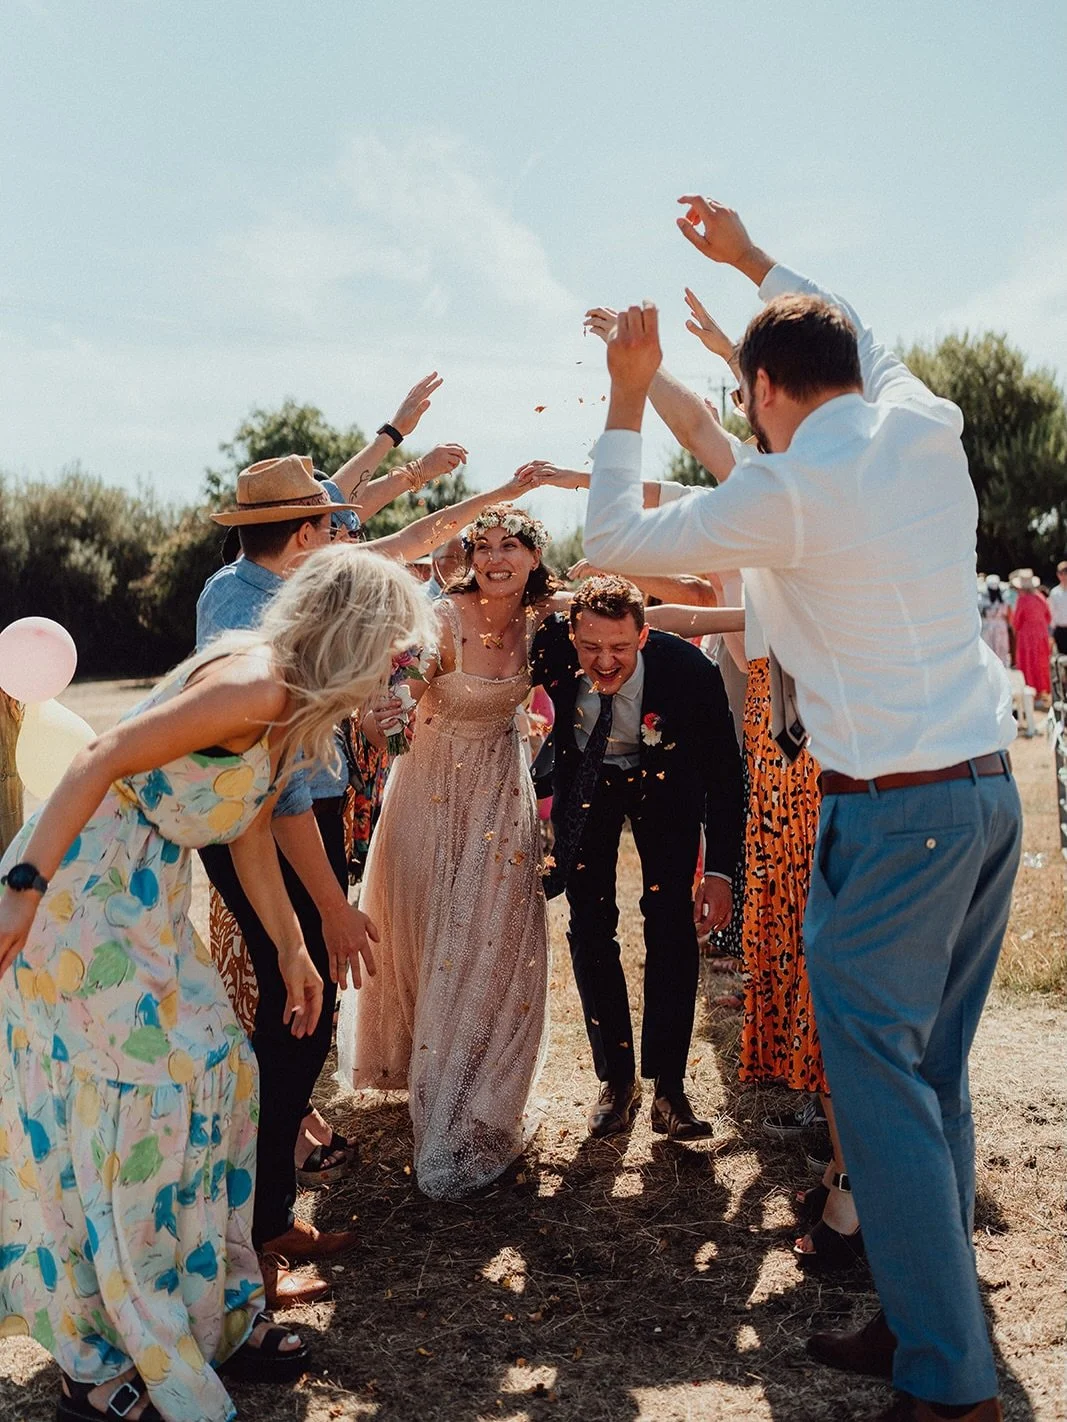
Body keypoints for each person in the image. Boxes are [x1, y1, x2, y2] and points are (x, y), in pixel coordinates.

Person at [582, 197, 1020, 1422]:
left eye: (746, 392)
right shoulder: (921, 423)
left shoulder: (786, 488)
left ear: (764, 388)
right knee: (928, 1079)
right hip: (985, 800)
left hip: (891, 816)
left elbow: (611, 533)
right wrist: (748, 258)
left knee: (878, 1093)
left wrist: (625, 392)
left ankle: (948, 1382)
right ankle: (924, 1315)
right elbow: (861, 329)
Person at [0, 545, 434, 1422]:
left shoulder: (292, 704)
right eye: (392, 651)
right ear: (353, 635)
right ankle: (98, 1355)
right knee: (140, 1108)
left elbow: (247, 819)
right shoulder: (255, 683)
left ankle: (213, 1314)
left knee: (225, 1071)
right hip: (80, 895)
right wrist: (22, 889)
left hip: (143, 893)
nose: (396, 672)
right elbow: (99, 757)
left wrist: (291, 947)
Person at [196, 453, 558, 1276]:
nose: (346, 534)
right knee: (294, 1011)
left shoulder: (292, 587)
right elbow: (269, 785)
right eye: (331, 524)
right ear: (302, 535)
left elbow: (404, 542)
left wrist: (500, 491)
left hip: (288, 808)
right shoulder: (244, 612)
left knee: (302, 1007)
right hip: (259, 816)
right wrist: (329, 908)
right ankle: (252, 1227)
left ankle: (266, 1218)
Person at [531, 575, 744, 1140]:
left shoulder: (689, 672)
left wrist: (719, 872)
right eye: (590, 647)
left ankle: (670, 1089)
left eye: (620, 648)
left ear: (644, 635)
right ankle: (616, 1081)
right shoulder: (550, 650)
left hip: (667, 789)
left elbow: (726, 778)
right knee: (590, 924)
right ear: (571, 636)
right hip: (586, 783)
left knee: (671, 923)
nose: (604, 662)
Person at [1008, 569, 1052, 706]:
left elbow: (1016, 621)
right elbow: (1048, 617)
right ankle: (1042, 692)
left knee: (1028, 663)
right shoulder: (1040, 597)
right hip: (1042, 634)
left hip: (1027, 636)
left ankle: (1033, 693)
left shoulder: (1022, 600)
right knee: (1041, 662)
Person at [979, 576, 1011, 668]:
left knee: (1001, 649)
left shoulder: (1003, 597)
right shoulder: (982, 598)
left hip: (996, 626)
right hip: (990, 626)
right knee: (989, 649)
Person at [1048, 561, 1067, 655]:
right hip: (1060, 630)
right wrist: (1051, 633)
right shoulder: (1054, 593)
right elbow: (1051, 613)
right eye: (1061, 573)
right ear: (1057, 575)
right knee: (1062, 657)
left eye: (1066, 573)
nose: (1064, 576)